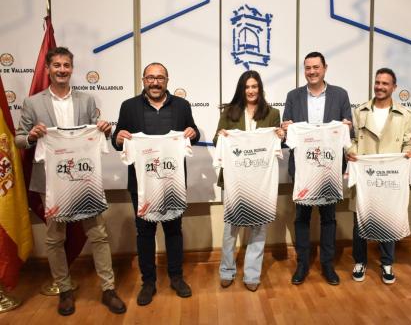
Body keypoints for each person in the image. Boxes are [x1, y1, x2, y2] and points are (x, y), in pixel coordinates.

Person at [15, 47, 126, 316]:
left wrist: (104, 129)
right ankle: (64, 289)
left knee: (98, 235)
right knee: (55, 238)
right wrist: (31, 136)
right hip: (51, 182)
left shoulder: (86, 101)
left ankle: (108, 288)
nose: (62, 69)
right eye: (57, 65)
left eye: (66, 65)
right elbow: (19, 139)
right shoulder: (32, 103)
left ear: (72, 69)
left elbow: (94, 133)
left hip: (84, 180)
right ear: (48, 69)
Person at [112, 62, 199, 305]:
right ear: (143, 80)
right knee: (145, 232)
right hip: (141, 184)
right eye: (150, 77)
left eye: (160, 77)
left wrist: (193, 133)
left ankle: (176, 277)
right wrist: (117, 138)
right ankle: (148, 282)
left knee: (173, 231)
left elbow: (194, 132)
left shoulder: (181, 105)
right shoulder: (128, 106)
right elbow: (118, 140)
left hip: (172, 182)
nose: (155, 82)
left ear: (167, 80)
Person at [282, 51, 352, 285]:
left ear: (325, 68)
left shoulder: (340, 95)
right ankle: (302, 264)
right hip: (302, 169)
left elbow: (348, 133)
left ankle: (327, 265)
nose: (311, 71)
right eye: (307, 68)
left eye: (316, 67)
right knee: (301, 217)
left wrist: (346, 127)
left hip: (328, 169)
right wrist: (286, 128)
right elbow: (285, 136)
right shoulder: (293, 96)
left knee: (328, 218)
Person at [213, 70, 284, 292]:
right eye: (247, 87)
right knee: (230, 229)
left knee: (259, 228)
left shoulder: (272, 113)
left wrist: (280, 135)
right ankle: (227, 270)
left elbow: (277, 143)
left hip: (260, 180)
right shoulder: (228, 112)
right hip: (235, 180)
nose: (251, 91)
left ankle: (252, 274)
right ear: (241, 90)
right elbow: (217, 139)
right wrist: (222, 136)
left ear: (260, 88)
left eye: (254, 86)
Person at [346, 68, 411, 284]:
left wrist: (408, 152)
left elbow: (407, 142)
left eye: (385, 83)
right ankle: (360, 261)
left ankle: (386, 263)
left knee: (389, 216)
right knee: (360, 219)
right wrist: (351, 152)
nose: (380, 87)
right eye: (377, 82)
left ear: (394, 87)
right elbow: (353, 140)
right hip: (366, 175)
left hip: (390, 175)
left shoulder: (405, 114)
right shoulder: (360, 112)